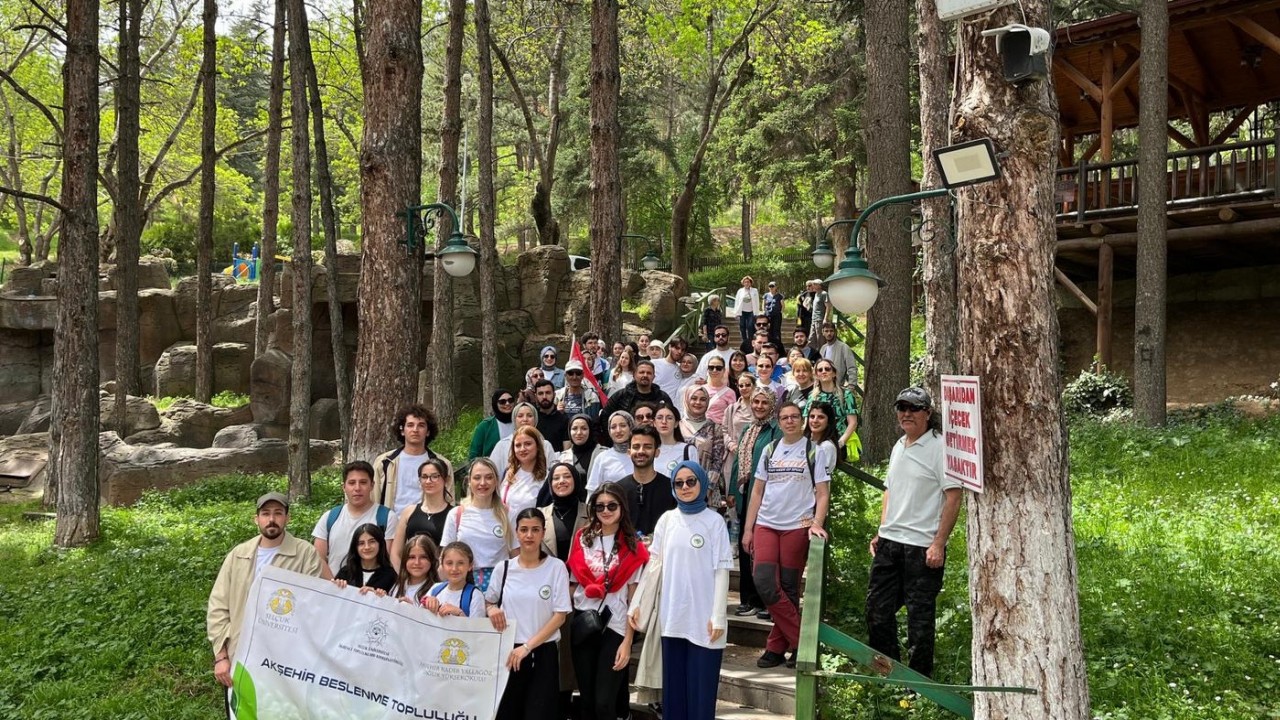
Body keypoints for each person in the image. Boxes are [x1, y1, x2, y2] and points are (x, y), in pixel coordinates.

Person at [866, 387, 960, 678]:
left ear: (927, 413)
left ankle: (919, 684)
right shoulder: (899, 445)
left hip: (922, 547)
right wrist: (882, 530)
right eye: (902, 408)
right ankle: (889, 674)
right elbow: (889, 490)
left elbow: (954, 497)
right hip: (890, 543)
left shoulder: (941, 448)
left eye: (914, 408)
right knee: (876, 611)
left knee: (919, 621)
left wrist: (939, 543)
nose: (906, 413)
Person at [628, 462, 732, 720]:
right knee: (674, 692)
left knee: (701, 691)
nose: (685, 487)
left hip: (705, 620)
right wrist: (638, 603)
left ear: (702, 484)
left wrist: (718, 615)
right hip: (672, 616)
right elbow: (655, 566)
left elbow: (722, 569)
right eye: (679, 483)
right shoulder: (667, 520)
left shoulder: (714, 521)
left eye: (691, 481)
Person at [742, 402, 833, 669]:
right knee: (765, 582)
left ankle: (775, 648)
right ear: (778, 421)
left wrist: (817, 522)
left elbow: (822, 492)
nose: (790, 421)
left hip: (798, 524)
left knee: (790, 588)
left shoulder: (813, 451)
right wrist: (748, 528)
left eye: (795, 417)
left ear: (802, 420)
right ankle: (802, 642)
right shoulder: (770, 450)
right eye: (785, 417)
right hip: (767, 523)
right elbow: (756, 491)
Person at [207, 492, 322, 700]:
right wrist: (221, 656)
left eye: (278, 513)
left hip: (283, 663)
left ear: (287, 518)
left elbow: (312, 608)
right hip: (239, 656)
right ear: (256, 519)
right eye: (265, 513)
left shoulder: (304, 553)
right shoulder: (238, 554)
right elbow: (218, 607)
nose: (271, 519)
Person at [568, 483, 649, 720]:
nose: (605, 510)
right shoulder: (583, 538)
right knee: (587, 700)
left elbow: (634, 599)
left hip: (616, 627)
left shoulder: (633, 545)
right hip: (585, 622)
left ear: (622, 508)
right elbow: (572, 585)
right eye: (599, 506)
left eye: (611, 505)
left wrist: (628, 641)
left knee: (604, 703)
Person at [485, 509, 573, 720]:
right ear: (516, 533)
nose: (529, 535)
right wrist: (492, 609)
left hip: (542, 652)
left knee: (539, 713)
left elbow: (560, 616)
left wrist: (527, 647)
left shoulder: (556, 567)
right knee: (507, 712)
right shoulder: (503, 568)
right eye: (524, 530)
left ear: (543, 533)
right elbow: (489, 601)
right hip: (508, 653)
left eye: (535, 530)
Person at [728, 389, 781, 619]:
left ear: (771, 405)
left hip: (765, 497)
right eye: (756, 402)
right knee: (745, 546)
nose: (759, 406)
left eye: (764, 402)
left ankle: (763, 600)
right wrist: (731, 490)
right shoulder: (748, 430)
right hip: (744, 495)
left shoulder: (775, 431)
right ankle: (747, 599)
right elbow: (739, 460)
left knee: (762, 551)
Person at [442, 458, 517, 591]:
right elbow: (445, 557)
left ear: (496, 481)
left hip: (501, 584)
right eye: (477, 478)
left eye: (489, 477)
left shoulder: (509, 514)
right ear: (469, 481)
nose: (483, 483)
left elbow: (516, 555)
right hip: (464, 583)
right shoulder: (456, 514)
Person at [313, 461, 393, 580]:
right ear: (344, 487)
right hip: (333, 589)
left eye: (363, 482)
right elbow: (318, 558)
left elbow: (388, 558)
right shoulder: (330, 517)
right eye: (351, 483)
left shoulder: (387, 517)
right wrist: (334, 585)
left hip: (373, 591)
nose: (357, 488)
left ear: (372, 485)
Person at [374, 405, 449, 515]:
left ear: (428, 431)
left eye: (421, 425)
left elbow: (449, 500)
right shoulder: (384, 462)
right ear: (402, 430)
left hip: (427, 525)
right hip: (390, 526)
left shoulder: (442, 464)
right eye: (410, 425)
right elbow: (373, 498)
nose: (415, 430)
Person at [389, 458, 455, 565]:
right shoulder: (409, 512)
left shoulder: (454, 514)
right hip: (410, 576)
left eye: (434, 476)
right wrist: (403, 579)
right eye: (424, 477)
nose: (429, 481)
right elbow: (395, 553)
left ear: (446, 480)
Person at [617, 426, 675, 537]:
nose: (641, 451)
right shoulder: (618, 489)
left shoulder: (671, 488)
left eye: (647, 447)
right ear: (629, 452)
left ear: (657, 452)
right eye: (636, 447)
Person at [680, 385, 728, 511]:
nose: (698, 402)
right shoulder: (677, 426)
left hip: (708, 493)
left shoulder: (715, 428)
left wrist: (706, 490)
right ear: (687, 400)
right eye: (694, 398)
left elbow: (717, 462)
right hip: (680, 488)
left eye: (702, 399)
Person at [807, 358, 860, 460]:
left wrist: (841, 442)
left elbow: (853, 423)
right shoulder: (812, 396)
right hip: (816, 442)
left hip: (838, 440)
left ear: (834, 373)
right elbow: (807, 420)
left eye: (827, 369)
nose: (824, 372)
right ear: (816, 375)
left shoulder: (846, 394)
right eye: (820, 370)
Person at [490, 401, 557, 479]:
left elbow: (553, 473)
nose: (525, 419)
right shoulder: (502, 445)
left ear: (535, 419)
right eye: (520, 416)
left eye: (529, 415)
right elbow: (493, 473)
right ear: (514, 420)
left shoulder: (545, 445)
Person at [501, 426, 551, 527]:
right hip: (506, 537)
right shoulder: (508, 474)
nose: (522, 449)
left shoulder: (547, 478)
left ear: (537, 446)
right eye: (518, 445)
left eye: (528, 444)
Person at [422, 542, 487, 618]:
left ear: (470, 566)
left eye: (460, 563)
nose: (454, 568)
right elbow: (419, 618)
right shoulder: (435, 589)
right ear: (442, 565)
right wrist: (427, 602)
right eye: (449, 563)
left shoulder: (475, 595)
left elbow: (477, 628)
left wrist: (459, 614)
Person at [539, 463, 589, 560]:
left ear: (576, 480)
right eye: (556, 478)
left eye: (567, 476)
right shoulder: (540, 515)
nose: (561, 481)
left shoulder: (591, 513)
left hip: (581, 573)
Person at [599, 360, 674, 423]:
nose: (645, 375)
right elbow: (605, 417)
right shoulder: (621, 396)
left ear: (653, 377)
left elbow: (671, 419)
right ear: (634, 375)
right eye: (641, 372)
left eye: (649, 373)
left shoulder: (662, 397)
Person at [333, 523, 398, 592]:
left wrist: (379, 596)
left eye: (372, 542)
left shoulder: (391, 575)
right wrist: (336, 587)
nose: (367, 547)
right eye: (361, 543)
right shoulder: (345, 572)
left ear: (380, 544)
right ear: (355, 547)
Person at [586, 411, 635, 494]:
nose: (618, 430)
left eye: (623, 426)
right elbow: (592, 491)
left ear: (631, 427)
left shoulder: (640, 455)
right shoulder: (602, 458)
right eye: (613, 427)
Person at [386, 534, 439, 604]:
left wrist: (411, 609)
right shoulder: (398, 585)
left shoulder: (437, 590)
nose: (417, 562)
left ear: (432, 560)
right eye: (412, 557)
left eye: (423, 557)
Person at [653, 404, 698, 479]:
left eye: (669, 418)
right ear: (654, 423)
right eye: (660, 418)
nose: (664, 421)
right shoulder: (650, 450)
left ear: (676, 423)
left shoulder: (688, 450)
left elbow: (695, 480)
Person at [469, 389, 518, 459]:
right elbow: (474, 455)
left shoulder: (521, 422)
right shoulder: (485, 426)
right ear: (495, 404)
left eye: (510, 400)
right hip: (493, 468)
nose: (507, 403)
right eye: (502, 402)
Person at [559, 414, 599, 490]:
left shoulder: (602, 454)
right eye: (574, 428)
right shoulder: (563, 457)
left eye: (584, 428)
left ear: (590, 430)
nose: (579, 432)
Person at [818, 321, 859, 389]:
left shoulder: (844, 347)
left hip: (838, 387)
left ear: (835, 332)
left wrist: (851, 385)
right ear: (823, 333)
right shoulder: (823, 348)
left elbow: (852, 367)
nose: (829, 333)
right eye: (826, 331)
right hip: (823, 387)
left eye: (831, 331)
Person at [805, 401, 841, 477]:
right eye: (812, 416)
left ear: (828, 421)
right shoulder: (806, 441)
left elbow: (820, 476)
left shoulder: (826, 446)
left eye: (821, 417)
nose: (815, 420)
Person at [533, 379, 571, 450]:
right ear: (535, 396)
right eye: (540, 393)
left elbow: (566, 450)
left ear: (554, 394)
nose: (544, 397)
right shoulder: (532, 417)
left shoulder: (563, 419)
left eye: (548, 393)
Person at [701, 355, 737, 425]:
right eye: (711, 367)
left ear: (724, 370)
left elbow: (732, 417)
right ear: (707, 370)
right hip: (700, 430)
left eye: (718, 368)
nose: (714, 370)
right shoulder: (700, 390)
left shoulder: (730, 393)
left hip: (719, 431)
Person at [723, 372, 758, 443]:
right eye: (741, 386)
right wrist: (730, 444)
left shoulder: (760, 408)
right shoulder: (731, 409)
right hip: (735, 450)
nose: (744, 388)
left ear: (754, 386)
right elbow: (724, 430)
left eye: (748, 385)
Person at [731, 276, 761, 353]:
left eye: (748, 282)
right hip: (742, 311)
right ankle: (744, 341)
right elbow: (737, 302)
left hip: (751, 311)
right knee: (742, 327)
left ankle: (751, 341)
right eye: (745, 282)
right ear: (743, 283)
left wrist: (757, 313)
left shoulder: (754, 290)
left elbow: (757, 302)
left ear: (751, 283)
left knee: (750, 326)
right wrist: (736, 313)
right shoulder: (740, 291)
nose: (747, 283)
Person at [763, 281, 785, 349]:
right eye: (770, 286)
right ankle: (769, 344)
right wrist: (764, 311)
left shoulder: (779, 296)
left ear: (776, 287)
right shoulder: (766, 295)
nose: (771, 288)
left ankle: (778, 345)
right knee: (769, 330)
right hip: (768, 315)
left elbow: (783, 305)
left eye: (773, 286)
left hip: (777, 315)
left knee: (776, 330)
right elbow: (763, 304)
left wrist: (781, 312)